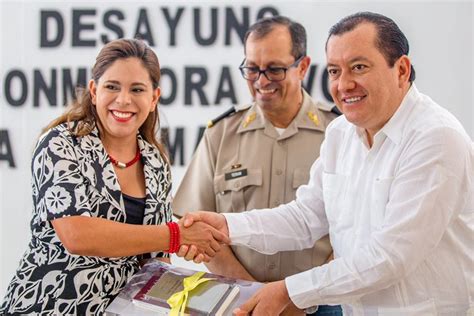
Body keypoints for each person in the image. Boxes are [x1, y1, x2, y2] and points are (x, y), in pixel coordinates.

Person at [180, 12, 474, 315]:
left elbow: (391, 257)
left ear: (401, 70)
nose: (344, 84)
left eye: (359, 67)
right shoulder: (341, 133)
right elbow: (306, 218)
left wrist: (289, 292)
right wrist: (228, 227)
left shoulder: (436, 138)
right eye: (334, 71)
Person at [0, 38, 227, 315]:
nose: (123, 99)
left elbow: (154, 261)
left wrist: (194, 289)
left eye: (137, 89)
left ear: (153, 98)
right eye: (112, 86)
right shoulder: (61, 143)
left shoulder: (156, 162)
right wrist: (177, 235)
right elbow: (77, 235)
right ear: (94, 91)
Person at [173, 16, 341, 315]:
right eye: (252, 69)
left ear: (302, 67)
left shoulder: (339, 133)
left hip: (321, 305)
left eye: (274, 69)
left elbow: (353, 228)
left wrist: (297, 297)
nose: (262, 81)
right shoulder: (220, 134)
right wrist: (254, 293)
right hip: (238, 301)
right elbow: (197, 224)